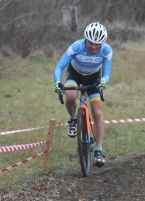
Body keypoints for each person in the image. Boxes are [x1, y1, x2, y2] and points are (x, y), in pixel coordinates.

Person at [53, 22, 113, 167]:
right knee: (71, 96)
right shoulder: (77, 47)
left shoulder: (106, 51)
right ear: (85, 39)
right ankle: (73, 120)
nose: (93, 46)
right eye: (91, 42)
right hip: (74, 75)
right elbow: (60, 66)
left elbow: (106, 73)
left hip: (93, 79)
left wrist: (104, 81)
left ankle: (98, 151)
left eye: (97, 44)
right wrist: (57, 82)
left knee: (97, 113)